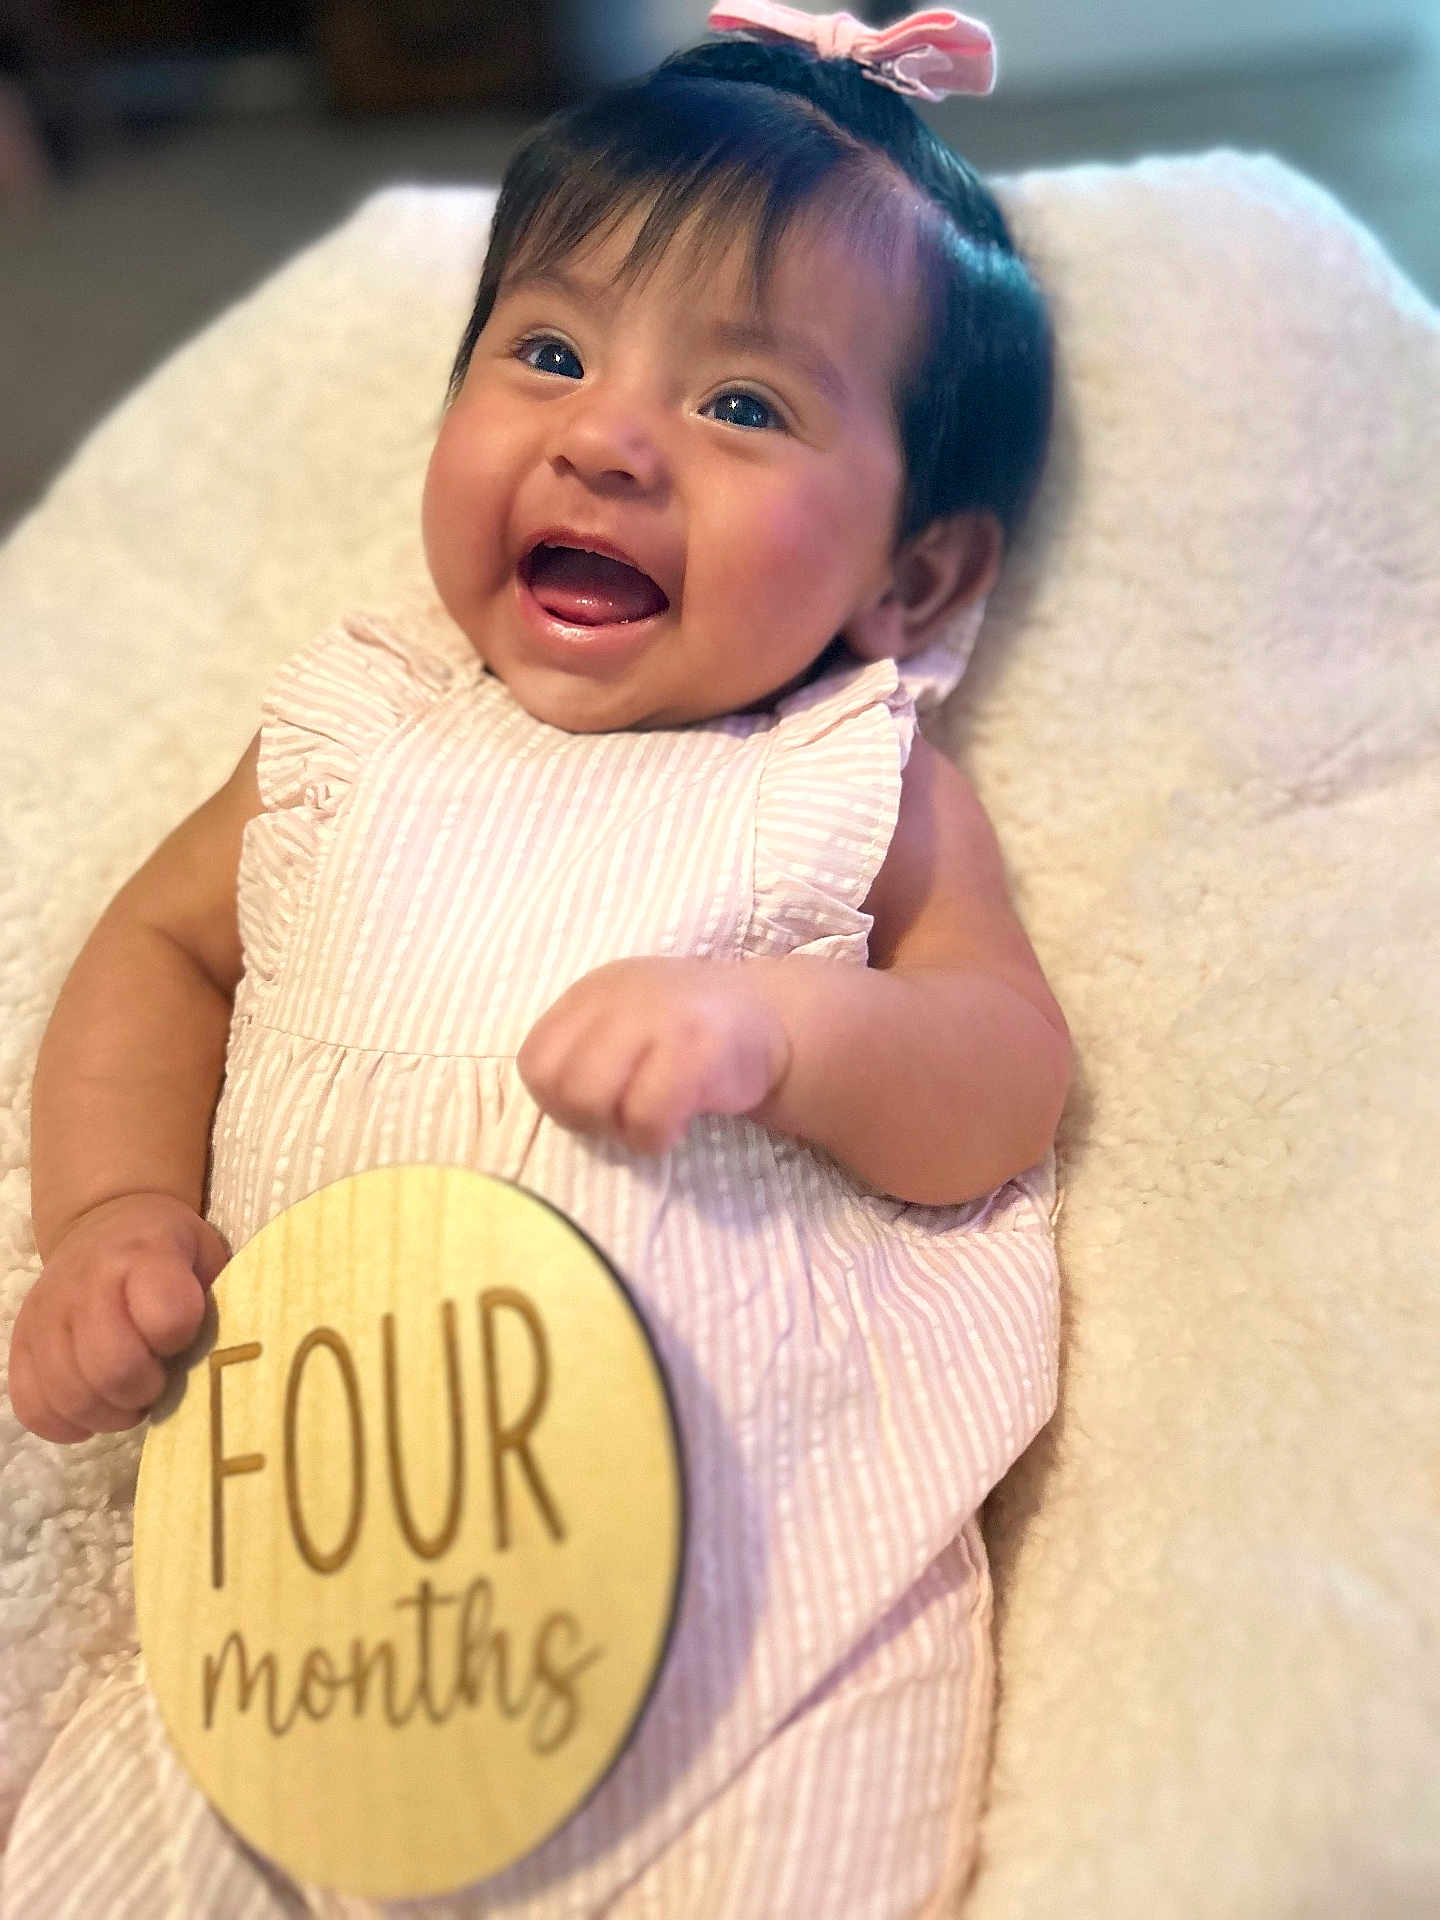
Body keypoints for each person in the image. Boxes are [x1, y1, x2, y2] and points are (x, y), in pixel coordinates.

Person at [4, 7, 1070, 1914]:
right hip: (303, 1613)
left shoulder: (849, 773)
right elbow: (161, 951)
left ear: (912, 578)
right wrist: (108, 1213)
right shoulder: (355, 723)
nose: (606, 435)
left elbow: (1000, 1080)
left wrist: (781, 1027)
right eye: (550, 352)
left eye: (744, 405)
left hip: (752, 1630)